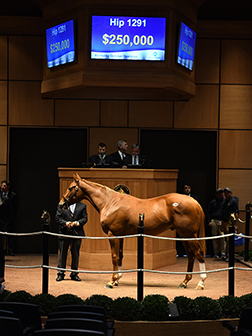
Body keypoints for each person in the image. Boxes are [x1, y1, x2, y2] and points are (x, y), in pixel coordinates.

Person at [55, 201, 88, 281]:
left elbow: (85, 218)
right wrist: (65, 223)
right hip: (64, 232)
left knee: (75, 254)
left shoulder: (82, 206)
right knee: (62, 253)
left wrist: (77, 223)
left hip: (77, 233)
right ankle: (61, 273)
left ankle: (74, 274)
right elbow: (57, 218)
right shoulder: (62, 205)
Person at [177, 183, 200, 257]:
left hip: (192, 221)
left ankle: (194, 252)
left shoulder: (195, 198)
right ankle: (181, 252)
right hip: (182, 221)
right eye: (186, 188)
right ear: (183, 189)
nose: (187, 189)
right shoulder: (179, 199)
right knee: (182, 237)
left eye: (189, 188)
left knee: (193, 237)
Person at [0, 181, 15, 287]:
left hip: (1, 226)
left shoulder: (4, 198)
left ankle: (0, 276)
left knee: (0, 251)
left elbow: (10, 210)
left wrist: (5, 222)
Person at [220, 187, 239, 261]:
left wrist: (236, 225)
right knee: (225, 240)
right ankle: (227, 254)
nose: (226, 194)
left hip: (230, 223)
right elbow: (222, 214)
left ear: (231, 193)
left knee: (229, 240)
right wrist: (222, 224)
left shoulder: (233, 201)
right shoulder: (224, 202)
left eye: (227, 192)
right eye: (225, 192)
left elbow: (236, 212)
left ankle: (229, 255)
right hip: (224, 222)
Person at [207, 188, 225, 259]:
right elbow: (208, 212)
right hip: (214, 221)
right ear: (216, 194)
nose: (220, 194)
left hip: (222, 221)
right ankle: (216, 253)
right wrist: (209, 221)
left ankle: (223, 253)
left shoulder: (225, 201)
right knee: (215, 238)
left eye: (221, 193)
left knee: (222, 237)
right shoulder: (213, 202)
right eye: (219, 193)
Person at [1, 180, 17, 256]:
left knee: (10, 235)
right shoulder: (0, 195)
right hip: (1, 219)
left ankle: (11, 250)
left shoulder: (13, 195)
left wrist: (11, 218)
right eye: (2, 185)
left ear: (8, 187)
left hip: (9, 218)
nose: (3, 187)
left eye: (4, 185)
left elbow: (14, 208)